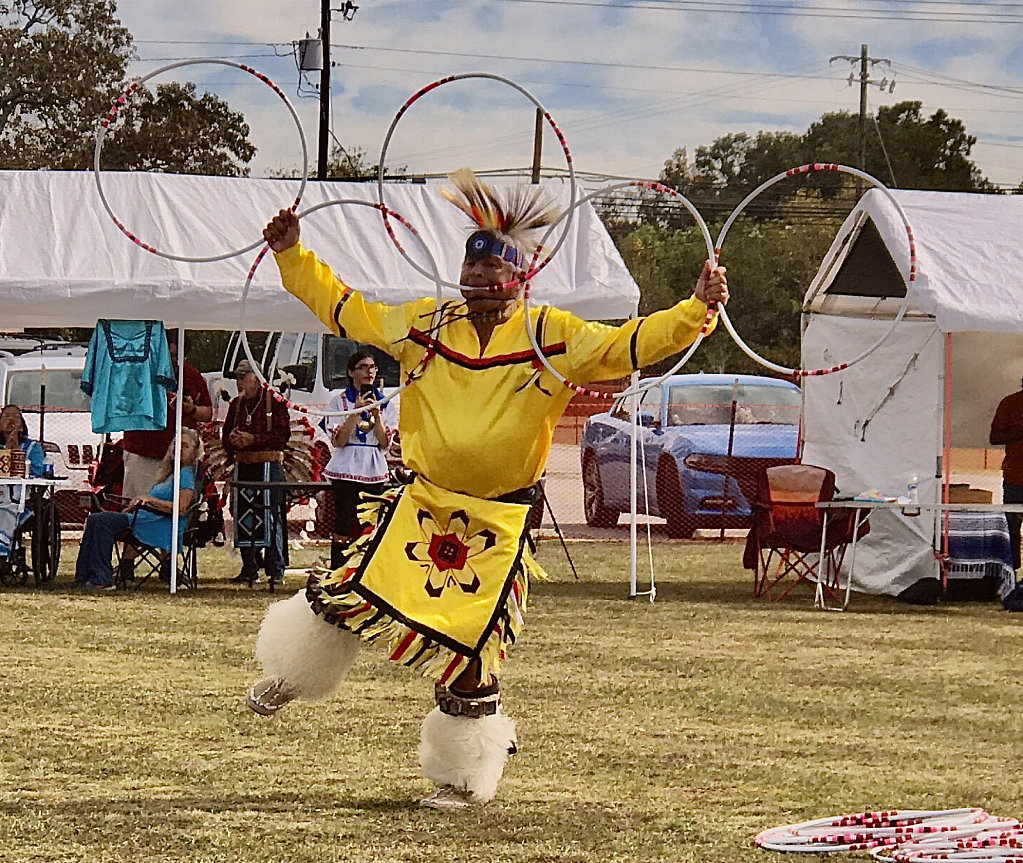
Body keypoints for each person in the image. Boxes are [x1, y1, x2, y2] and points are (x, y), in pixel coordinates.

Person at [247, 169, 729, 809]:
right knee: (352, 586)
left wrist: (697, 307)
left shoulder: (552, 336)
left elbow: (631, 344)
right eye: (469, 273)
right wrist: (291, 253)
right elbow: (347, 309)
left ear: (520, 277)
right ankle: (291, 672)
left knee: (473, 640)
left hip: (497, 521)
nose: (477, 284)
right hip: (420, 501)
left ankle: (460, 775)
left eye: (491, 275)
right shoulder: (425, 325)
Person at [74, 428, 200, 590]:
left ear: (194, 452)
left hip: (160, 525)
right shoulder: (171, 474)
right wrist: (138, 504)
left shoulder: (185, 475)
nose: (178, 449)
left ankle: (101, 578)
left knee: (102, 521)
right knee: (94, 519)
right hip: (144, 518)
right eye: (176, 444)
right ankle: (84, 577)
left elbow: (181, 509)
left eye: (185, 446)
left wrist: (149, 500)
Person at [323, 350, 396, 569]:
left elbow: (384, 443)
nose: (369, 372)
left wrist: (376, 414)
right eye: (363, 367)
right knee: (343, 521)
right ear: (351, 372)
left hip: (373, 467)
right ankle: (338, 570)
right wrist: (355, 413)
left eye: (372, 367)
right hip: (346, 465)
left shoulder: (386, 403)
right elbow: (340, 440)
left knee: (370, 522)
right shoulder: (338, 403)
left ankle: (365, 570)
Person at [121, 328, 212, 501]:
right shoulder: (140, 373)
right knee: (140, 506)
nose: (174, 360)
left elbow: (207, 413)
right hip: (143, 456)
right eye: (170, 355)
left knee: (175, 508)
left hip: (179, 461)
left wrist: (191, 409)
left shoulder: (191, 375)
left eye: (179, 356)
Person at [222, 359, 291, 586]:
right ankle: (249, 566)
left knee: (271, 514)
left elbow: (282, 436)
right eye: (237, 378)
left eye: (243, 377)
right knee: (243, 514)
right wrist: (234, 440)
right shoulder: (236, 405)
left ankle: (275, 568)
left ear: (257, 378)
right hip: (243, 465)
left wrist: (253, 439)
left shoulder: (275, 402)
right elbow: (225, 437)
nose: (239, 383)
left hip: (268, 465)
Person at [0, 405, 46, 559]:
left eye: (16, 417)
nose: (11, 420)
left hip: (21, 497)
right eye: (6, 416)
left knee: (5, 511)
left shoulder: (33, 447)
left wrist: (15, 453)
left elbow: (38, 471)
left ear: (22, 426)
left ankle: (3, 553)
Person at [990, 378, 1023, 570]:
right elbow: (995, 438)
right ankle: (1012, 573)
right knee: (1011, 528)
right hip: (1015, 478)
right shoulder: (1010, 403)